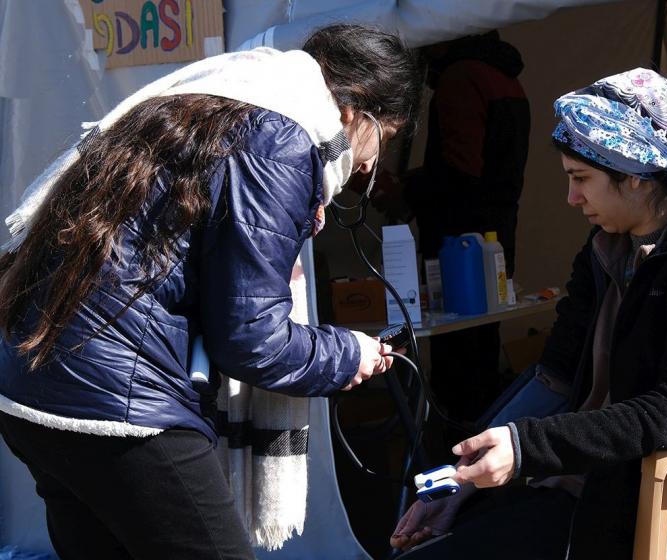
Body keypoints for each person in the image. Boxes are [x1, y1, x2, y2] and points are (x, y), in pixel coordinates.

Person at [0, 25, 422, 559]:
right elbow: (252, 340)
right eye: (381, 138)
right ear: (352, 110)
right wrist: (349, 353)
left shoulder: (225, 96)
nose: (368, 166)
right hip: (115, 404)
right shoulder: (281, 137)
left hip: (36, 380)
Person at [391, 68, 667, 559]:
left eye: (581, 179)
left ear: (636, 173)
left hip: (659, 509)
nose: (571, 198)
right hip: (577, 485)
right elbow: (555, 375)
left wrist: (527, 448)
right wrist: (464, 476)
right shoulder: (606, 247)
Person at [376, 30, 531, 422]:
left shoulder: (462, 78)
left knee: (457, 355)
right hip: (496, 232)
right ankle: (484, 436)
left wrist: (406, 191)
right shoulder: (506, 76)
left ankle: (458, 446)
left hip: (458, 242)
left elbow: (462, 172)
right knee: (482, 343)